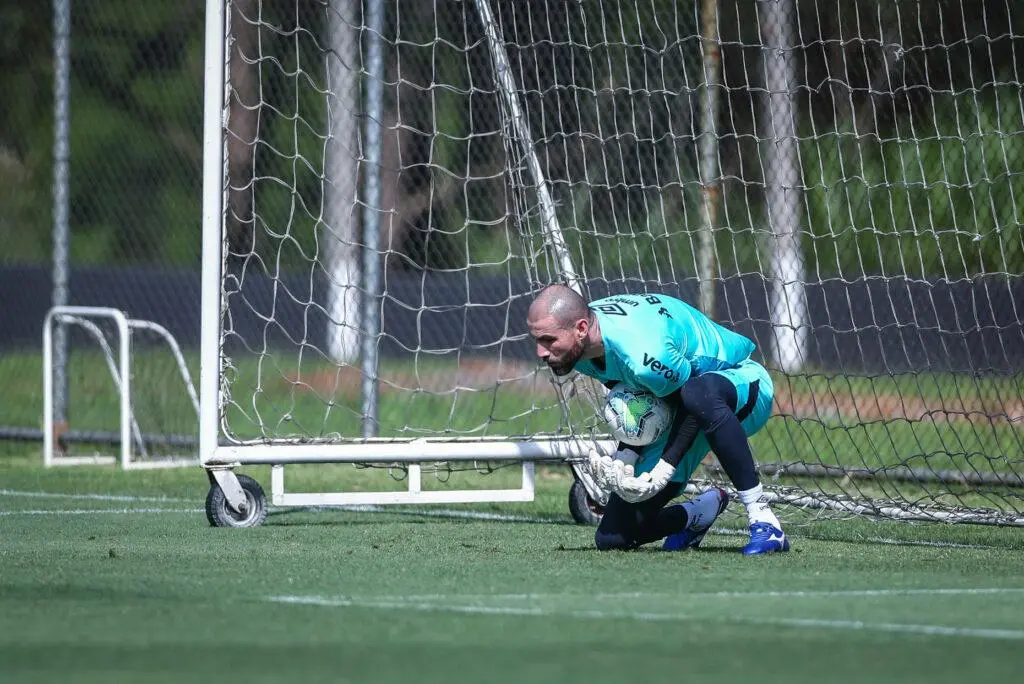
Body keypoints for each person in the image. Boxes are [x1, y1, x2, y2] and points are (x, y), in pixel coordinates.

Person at [526, 284, 789, 555]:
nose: (541, 352)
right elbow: (642, 394)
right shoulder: (581, 345)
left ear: (581, 328)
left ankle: (764, 519)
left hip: (741, 386)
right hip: (684, 403)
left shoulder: (642, 353)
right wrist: (626, 457)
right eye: (537, 340)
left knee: (698, 394)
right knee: (613, 537)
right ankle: (697, 514)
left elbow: (690, 400)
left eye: (548, 340)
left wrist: (664, 468)